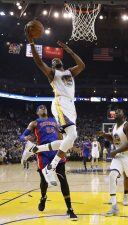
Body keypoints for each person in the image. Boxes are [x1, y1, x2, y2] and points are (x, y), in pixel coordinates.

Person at [23, 25, 85, 186]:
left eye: (56, 59)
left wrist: (69, 50)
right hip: (60, 103)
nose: (54, 60)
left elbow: (82, 65)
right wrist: (31, 43)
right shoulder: (52, 73)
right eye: (52, 61)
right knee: (72, 136)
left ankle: (36, 149)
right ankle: (50, 167)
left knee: (68, 141)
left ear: (62, 61)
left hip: (71, 106)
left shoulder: (69, 72)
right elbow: (38, 62)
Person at [20, 105, 78, 220]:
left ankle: (70, 209)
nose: (43, 108)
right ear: (37, 112)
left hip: (57, 152)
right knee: (44, 181)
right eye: (40, 107)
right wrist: (26, 139)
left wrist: (65, 147)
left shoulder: (56, 120)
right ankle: (43, 197)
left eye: (44, 107)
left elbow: (62, 136)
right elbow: (22, 136)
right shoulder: (34, 123)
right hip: (44, 154)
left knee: (63, 179)